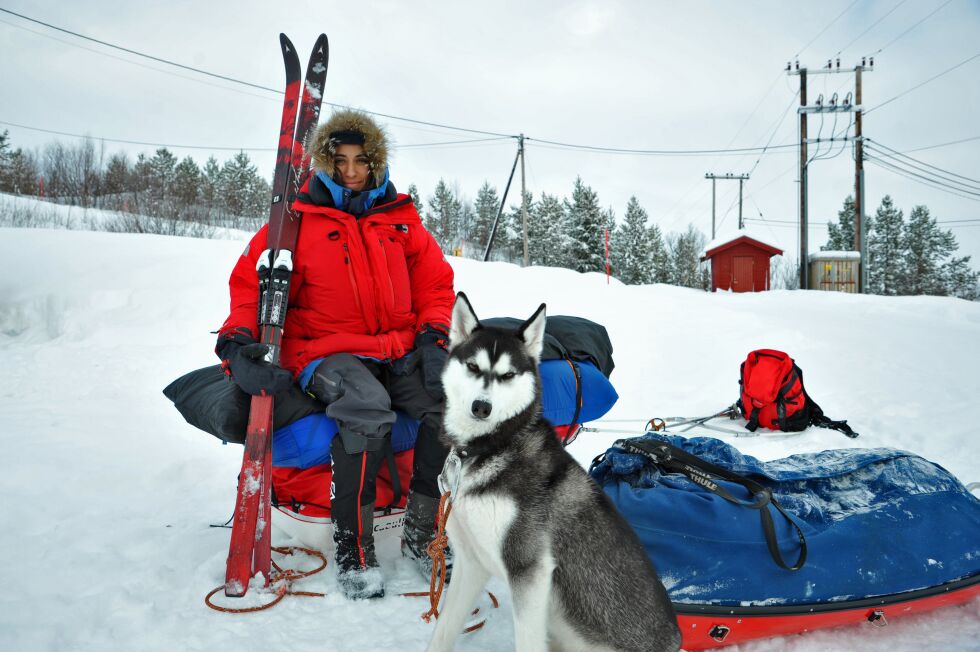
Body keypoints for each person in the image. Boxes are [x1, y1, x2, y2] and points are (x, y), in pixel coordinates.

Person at [215, 109, 454, 600]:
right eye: (339, 160)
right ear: (323, 163)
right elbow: (249, 288)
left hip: (398, 347)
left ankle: (422, 531)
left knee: (446, 406)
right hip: (326, 351)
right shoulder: (293, 223)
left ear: (377, 163)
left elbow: (435, 282)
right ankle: (355, 552)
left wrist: (435, 336)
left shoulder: (401, 221)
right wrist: (236, 345)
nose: (350, 171)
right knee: (367, 409)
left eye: (361, 161)